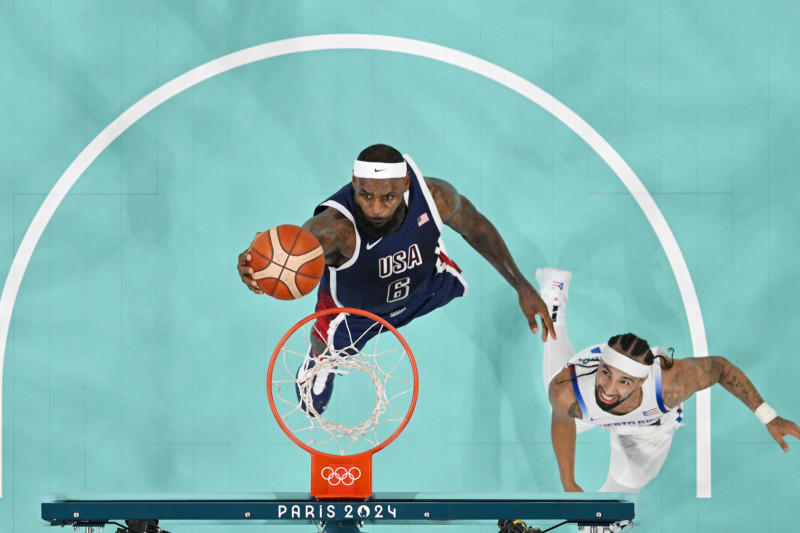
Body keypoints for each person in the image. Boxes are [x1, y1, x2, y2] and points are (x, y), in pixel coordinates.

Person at [238, 144, 555, 414]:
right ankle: (322, 359)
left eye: (387, 197)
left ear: (405, 184)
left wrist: (521, 285)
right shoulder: (333, 231)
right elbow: (292, 254)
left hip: (424, 286)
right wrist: (260, 267)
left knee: (442, 267)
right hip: (353, 312)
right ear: (354, 184)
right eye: (365, 195)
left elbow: (476, 227)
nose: (375, 208)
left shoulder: (436, 198)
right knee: (317, 377)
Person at [537, 267, 800, 494]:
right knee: (558, 401)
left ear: (641, 382)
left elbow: (719, 368)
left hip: (648, 429)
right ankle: (553, 303)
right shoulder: (569, 391)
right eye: (606, 373)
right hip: (584, 404)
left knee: (625, 487)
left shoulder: (672, 385)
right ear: (601, 366)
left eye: (624, 382)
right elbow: (562, 422)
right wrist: (569, 483)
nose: (609, 389)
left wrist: (769, 416)